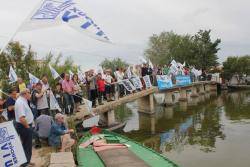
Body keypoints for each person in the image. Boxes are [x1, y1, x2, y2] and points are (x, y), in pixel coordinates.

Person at [15, 89, 35, 167]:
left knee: (28, 145)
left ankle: (27, 160)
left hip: (26, 125)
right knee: (26, 145)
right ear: (25, 94)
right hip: (24, 126)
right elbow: (21, 118)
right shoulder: (20, 102)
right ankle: (24, 164)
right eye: (29, 93)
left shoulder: (23, 100)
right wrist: (27, 127)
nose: (30, 95)